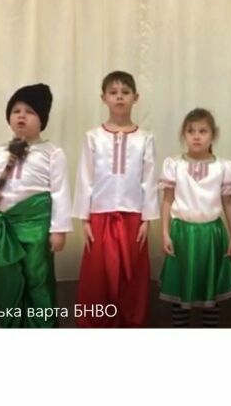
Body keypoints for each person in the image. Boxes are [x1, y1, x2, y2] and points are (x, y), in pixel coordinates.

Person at [0, 83, 72, 327]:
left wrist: (58, 230)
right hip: (3, 227)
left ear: (42, 120)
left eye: (30, 111)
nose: (21, 116)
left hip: (36, 229)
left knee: (38, 278)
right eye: (16, 111)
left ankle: (42, 328)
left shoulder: (52, 153)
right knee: (5, 279)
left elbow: (61, 193)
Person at [73, 70, 159, 327]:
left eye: (125, 92)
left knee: (133, 273)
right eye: (113, 92)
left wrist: (147, 219)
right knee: (98, 274)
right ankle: (96, 324)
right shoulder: (93, 136)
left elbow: (149, 179)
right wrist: (84, 219)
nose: (119, 97)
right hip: (100, 216)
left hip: (133, 217)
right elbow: (85, 177)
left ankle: (132, 322)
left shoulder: (145, 138)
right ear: (104, 98)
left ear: (136, 97)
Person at [158, 108, 231, 327]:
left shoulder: (223, 166)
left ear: (213, 135)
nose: (196, 136)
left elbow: (228, 202)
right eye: (191, 131)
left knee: (210, 287)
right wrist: (165, 233)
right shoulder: (174, 164)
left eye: (203, 131)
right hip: (181, 233)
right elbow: (167, 199)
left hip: (212, 234)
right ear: (183, 134)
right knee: (180, 286)